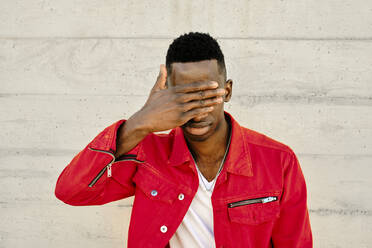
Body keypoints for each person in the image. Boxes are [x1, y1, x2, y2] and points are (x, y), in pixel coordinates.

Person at [55, 32, 313, 248]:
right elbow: (70, 191)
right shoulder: (146, 153)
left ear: (228, 91)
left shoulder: (278, 161)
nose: (198, 109)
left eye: (208, 94)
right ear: (166, 97)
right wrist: (139, 122)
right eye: (184, 97)